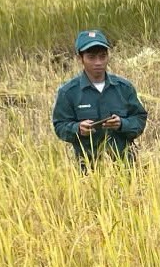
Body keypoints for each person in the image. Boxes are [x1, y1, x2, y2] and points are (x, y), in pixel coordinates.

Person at [52, 29, 147, 170]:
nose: (98, 62)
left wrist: (122, 124)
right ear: (80, 59)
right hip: (87, 169)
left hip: (125, 167)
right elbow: (60, 126)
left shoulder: (124, 88)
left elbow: (139, 119)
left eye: (102, 56)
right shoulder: (68, 92)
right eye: (91, 57)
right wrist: (77, 128)